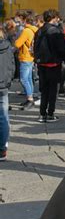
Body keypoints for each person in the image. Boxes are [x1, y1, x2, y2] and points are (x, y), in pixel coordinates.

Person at [33, 9, 65, 122]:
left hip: (41, 64)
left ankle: (42, 114)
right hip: (54, 64)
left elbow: (35, 47)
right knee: (53, 90)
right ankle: (50, 113)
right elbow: (62, 49)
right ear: (54, 18)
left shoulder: (39, 31)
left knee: (44, 90)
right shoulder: (56, 31)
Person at [14, 15, 38, 109]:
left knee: (24, 79)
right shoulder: (35, 30)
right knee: (28, 79)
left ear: (25, 21)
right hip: (31, 57)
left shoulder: (26, 31)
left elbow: (17, 43)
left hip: (25, 56)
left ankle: (30, 99)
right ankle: (29, 98)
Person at [0, 28, 15, 160]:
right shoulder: (8, 46)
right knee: (4, 117)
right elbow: (12, 65)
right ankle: (2, 149)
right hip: (3, 85)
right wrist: (8, 80)